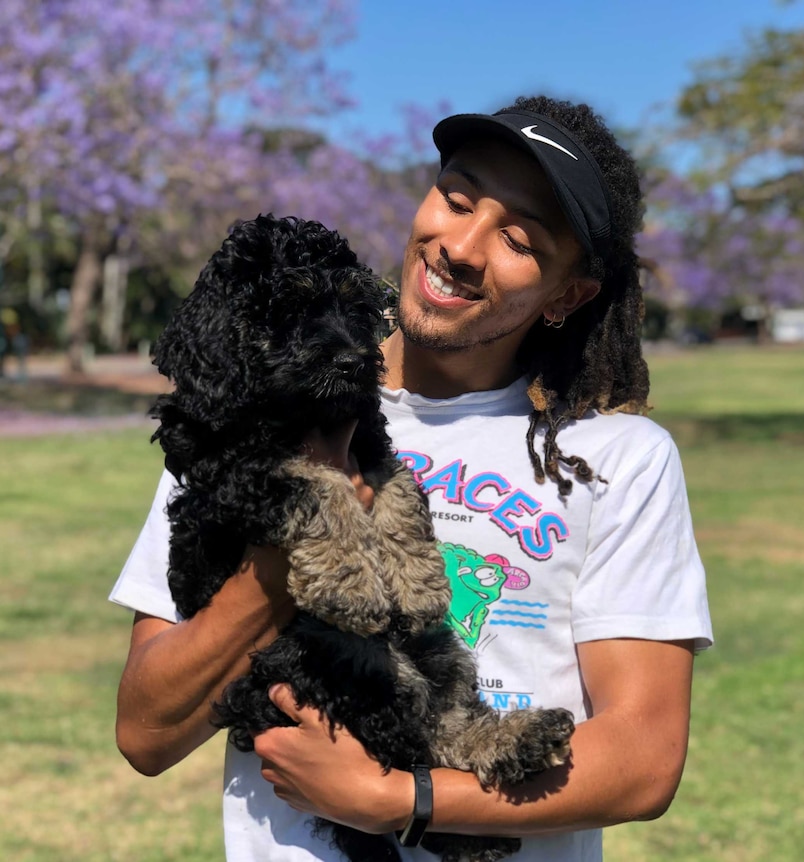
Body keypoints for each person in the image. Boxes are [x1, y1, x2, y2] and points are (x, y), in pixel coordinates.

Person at [111, 94, 713, 862]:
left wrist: (397, 800)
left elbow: (643, 761)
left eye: (518, 239)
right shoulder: (257, 402)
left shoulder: (619, 457)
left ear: (569, 294)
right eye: (454, 200)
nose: (459, 246)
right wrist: (296, 546)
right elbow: (146, 733)